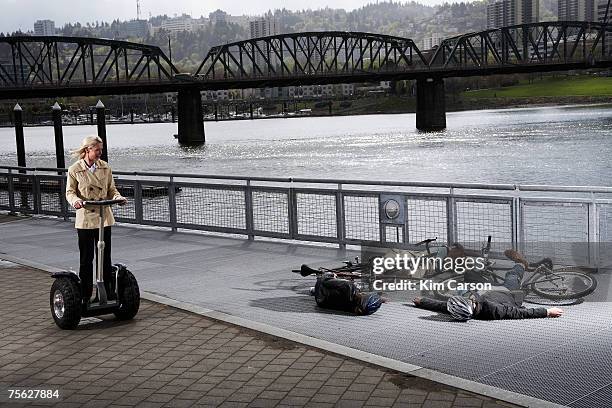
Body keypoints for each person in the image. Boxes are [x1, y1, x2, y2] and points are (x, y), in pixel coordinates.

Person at [413, 250, 563, 320]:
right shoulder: (494, 310)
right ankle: (521, 264)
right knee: (511, 276)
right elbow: (521, 313)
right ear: (471, 304)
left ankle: (486, 270)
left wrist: (422, 302)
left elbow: (441, 306)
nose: (468, 298)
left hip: (486, 290)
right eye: (468, 299)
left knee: (470, 274)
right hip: (508, 292)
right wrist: (547, 311)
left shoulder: (463, 308)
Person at [65, 136, 126, 303]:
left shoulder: (105, 167)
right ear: (87, 150)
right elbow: (70, 192)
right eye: (97, 150)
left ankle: (105, 293)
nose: (100, 153)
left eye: (101, 149)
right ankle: (85, 296)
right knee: (86, 259)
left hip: (103, 218)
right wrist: (76, 201)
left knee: (105, 257)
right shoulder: (74, 169)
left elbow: (112, 190)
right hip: (85, 218)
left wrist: (118, 198)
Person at [311, 272, 385, 315]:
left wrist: (330, 275)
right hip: (321, 303)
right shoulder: (353, 308)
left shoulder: (348, 286)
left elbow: (324, 281)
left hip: (320, 295)